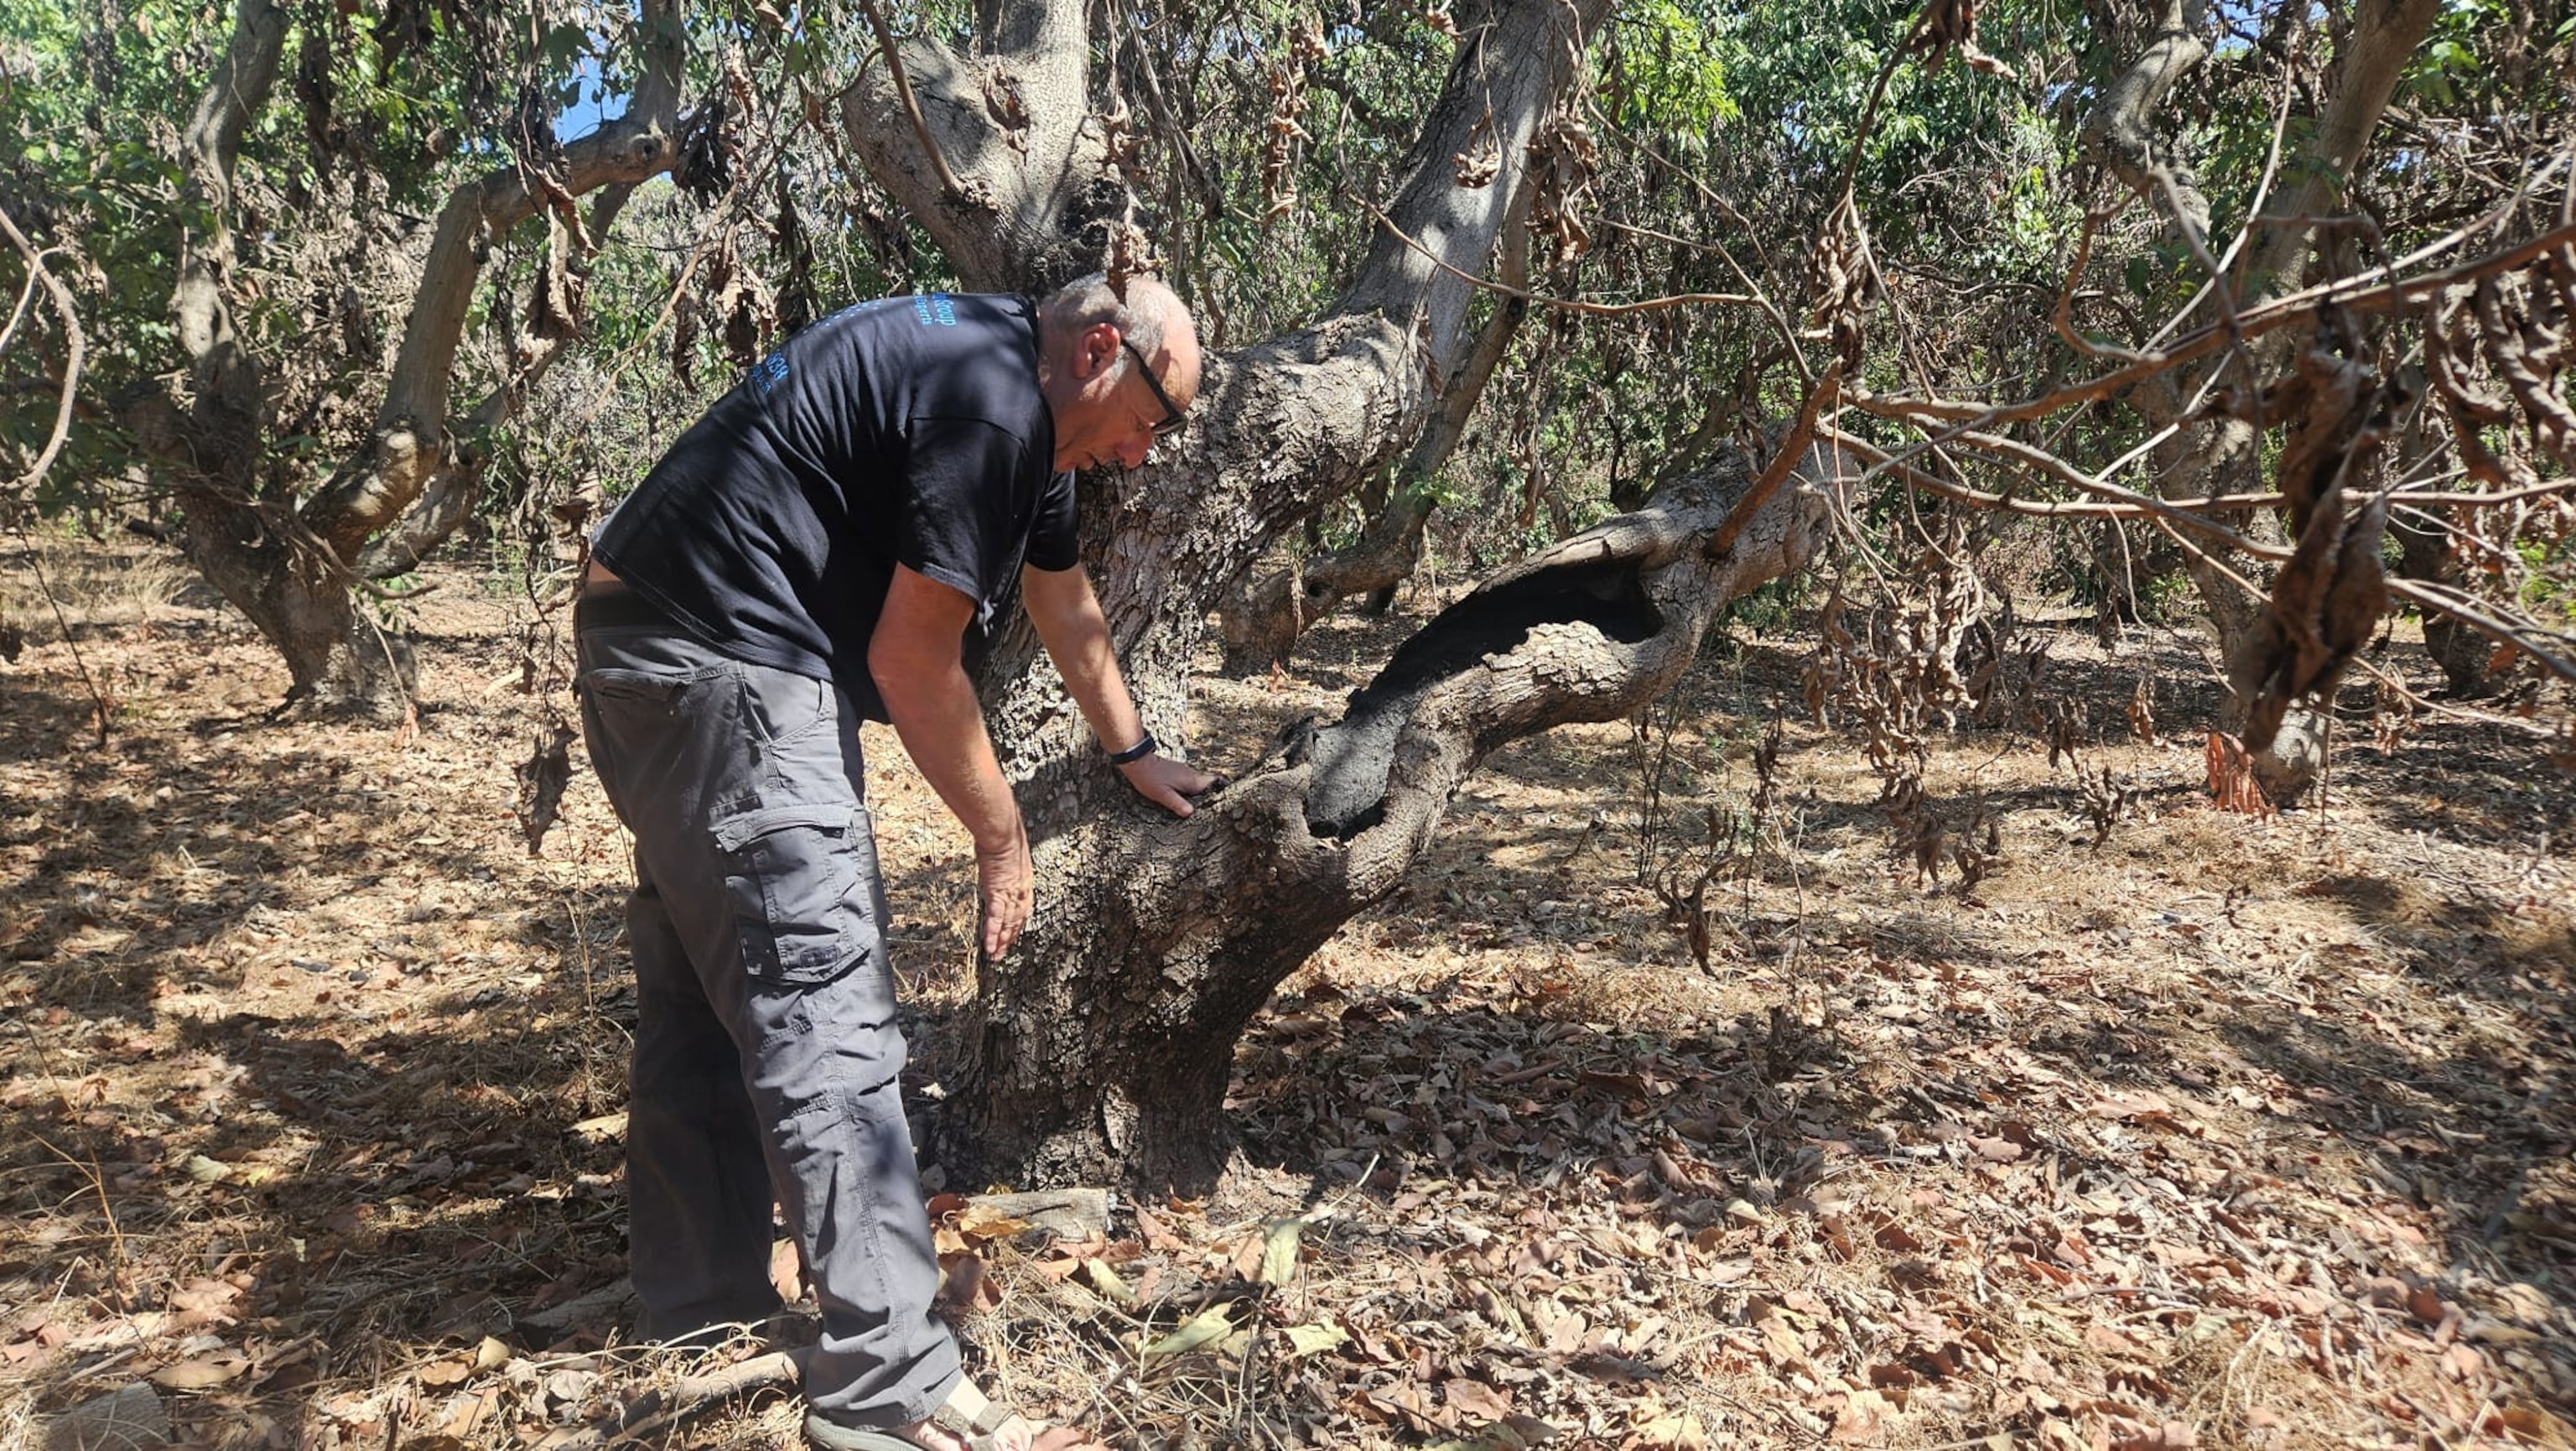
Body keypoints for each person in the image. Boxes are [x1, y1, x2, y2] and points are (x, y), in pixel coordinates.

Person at [572, 273, 1213, 1451]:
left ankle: (700, 1310)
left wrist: (1132, 746)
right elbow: (915, 663)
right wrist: (1001, 832)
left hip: (641, 638)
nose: (1146, 454)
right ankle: (890, 1384)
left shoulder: (1017, 403)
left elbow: (1062, 598)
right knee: (824, 1001)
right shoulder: (991, 411)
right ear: (1103, 351)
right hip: (727, 659)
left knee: (707, 999)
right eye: (1156, 417)